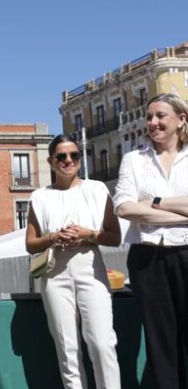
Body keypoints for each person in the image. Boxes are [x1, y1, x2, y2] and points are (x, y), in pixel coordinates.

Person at [25, 134, 121, 388]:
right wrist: (54, 237)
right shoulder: (39, 197)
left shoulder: (97, 189)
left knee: (102, 342)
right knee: (67, 348)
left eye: (74, 155)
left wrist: (86, 234)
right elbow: (30, 243)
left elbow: (114, 236)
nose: (68, 161)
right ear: (51, 161)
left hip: (90, 266)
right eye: (61, 156)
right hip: (55, 272)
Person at [113, 92, 188, 388]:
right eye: (149, 117)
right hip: (148, 258)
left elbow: (141, 207)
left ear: (181, 119)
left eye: (160, 116)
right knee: (159, 339)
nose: (153, 123)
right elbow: (125, 207)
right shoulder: (134, 159)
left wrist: (155, 201)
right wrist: (182, 213)